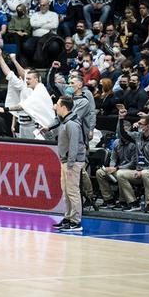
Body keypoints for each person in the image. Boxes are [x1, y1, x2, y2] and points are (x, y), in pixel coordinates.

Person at [116, 109, 149, 213]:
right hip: (140, 171)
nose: (138, 125)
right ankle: (133, 202)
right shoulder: (138, 136)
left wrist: (142, 171)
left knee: (145, 173)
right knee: (120, 174)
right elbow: (122, 134)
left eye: (141, 124)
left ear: (148, 126)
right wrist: (121, 119)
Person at [52, 96, 86, 232]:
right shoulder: (65, 121)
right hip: (66, 161)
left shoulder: (72, 124)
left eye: (58, 105)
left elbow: (74, 146)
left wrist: (71, 164)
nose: (56, 107)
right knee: (66, 191)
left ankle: (76, 222)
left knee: (73, 192)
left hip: (72, 162)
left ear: (64, 107)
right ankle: (68, 218)